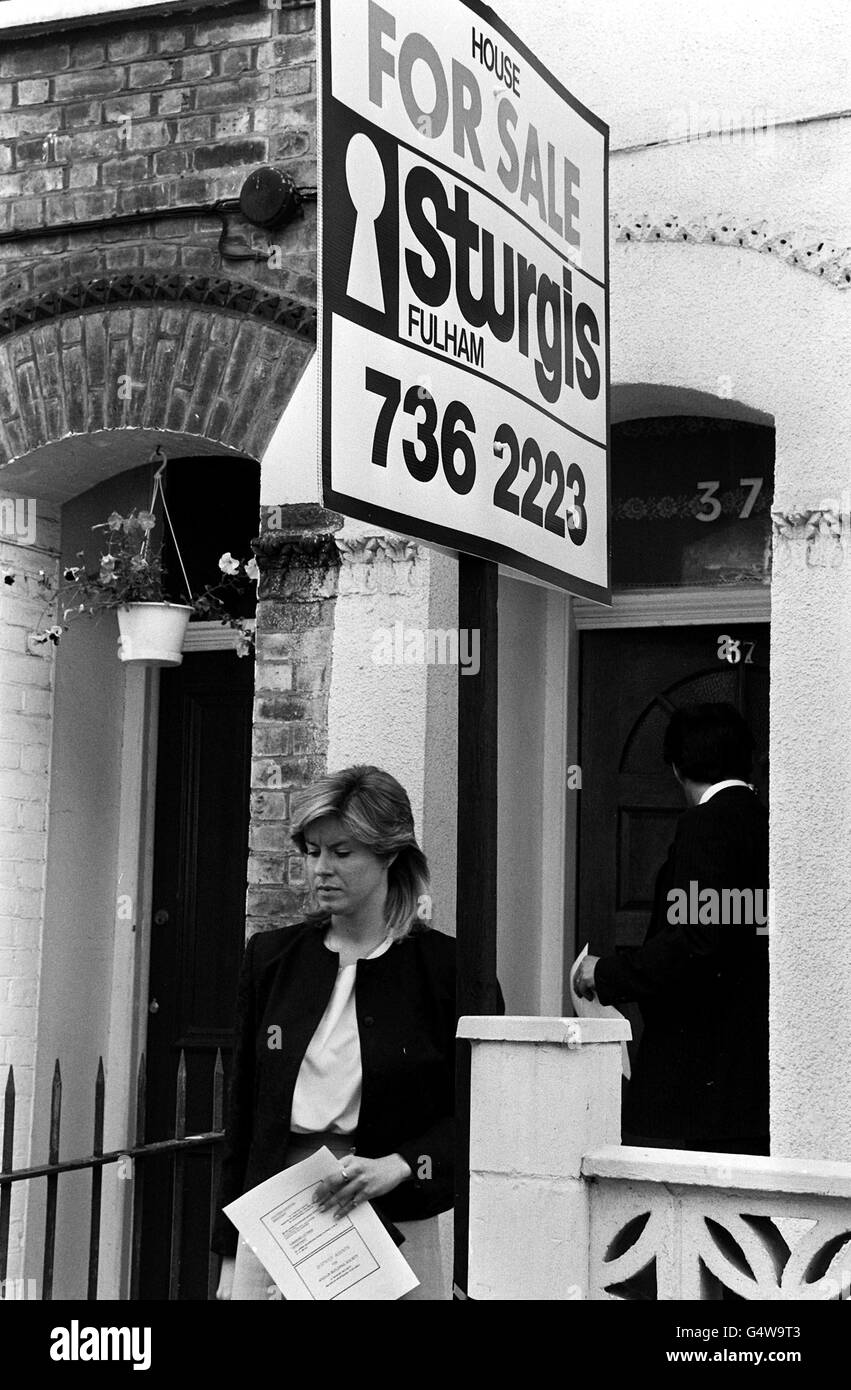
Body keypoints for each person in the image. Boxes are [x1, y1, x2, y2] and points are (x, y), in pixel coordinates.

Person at [212, 765, 456, 1301]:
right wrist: (231, 1253)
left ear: (390, 854)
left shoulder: (443, 969)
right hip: (277, 1216)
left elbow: (479, 1110)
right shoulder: (271, 959)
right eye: (312, 851)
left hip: (393, 1220)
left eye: (342, 853)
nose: (322, 868)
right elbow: (244, 1117)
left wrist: (402, 1166)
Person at [574, 703, 769, 1154]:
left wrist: (606, 975)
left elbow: (697, 941)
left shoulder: (706, 823)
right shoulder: (764, 823)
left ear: (678, 768)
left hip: (703, 1071)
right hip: (751, 1074)